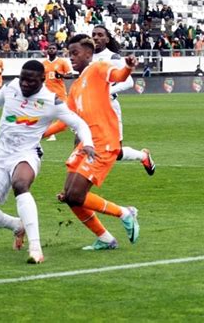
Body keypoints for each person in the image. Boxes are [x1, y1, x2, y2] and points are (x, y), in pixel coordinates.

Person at [0, 60, 95, 263]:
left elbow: (79, 123)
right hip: (1, 156)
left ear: (42, 80)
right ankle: (17, 226)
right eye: (23, 79)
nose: (25, 84)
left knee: (20, 184)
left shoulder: (51, 101)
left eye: (30, 81)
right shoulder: (12, 87)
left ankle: (36, 249)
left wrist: (88, 143)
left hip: (27, 153)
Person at [43, 34, 140, 250]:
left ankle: (125, 213)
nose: (72, 58)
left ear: (89, 53)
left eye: (75, 53)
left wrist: (128, 68)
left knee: (76, 194)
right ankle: (105, 239)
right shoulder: (76, 86)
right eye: (69, 54)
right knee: (69, 197)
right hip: (87, 144)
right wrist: (39, 134)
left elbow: (119, 75)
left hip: (104, 141)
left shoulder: (98, 68)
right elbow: (66, 119)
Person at [91, 25, 155, 175]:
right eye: (93, 34)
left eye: (100, 35)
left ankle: (143, 156)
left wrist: (107, 91)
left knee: (116, 153)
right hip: (91, 107)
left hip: (110, 107)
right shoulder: (87, 56)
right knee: (82, 143)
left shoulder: (113, 57)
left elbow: (128, 82)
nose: (96, 37)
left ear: (107, 39)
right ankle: (76, 189)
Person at [42, 43, 73, 141]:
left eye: (53, 48)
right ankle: (51, 134)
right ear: (47, 50)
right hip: (48, 93)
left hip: (60, 92)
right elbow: (41, 77)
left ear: (56, 50)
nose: (51, 50)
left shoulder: (62, 62)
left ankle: (73, 125)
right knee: (48, 113)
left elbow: (70, 75)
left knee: (66, 112)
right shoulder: (44, 63)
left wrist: (62, 76)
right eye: (50, 48)